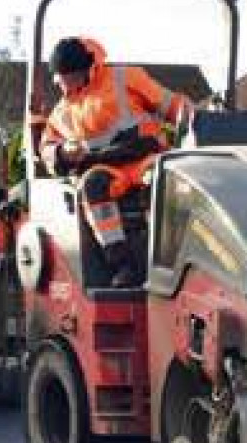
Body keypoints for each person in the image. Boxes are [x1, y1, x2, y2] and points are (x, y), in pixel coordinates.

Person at [39, 37, 192, 287]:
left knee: (168, 179)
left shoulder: (125, 78)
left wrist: (199, 122)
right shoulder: (61, 112)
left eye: (71, 78)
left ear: (88, 68)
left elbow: (174, 106)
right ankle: (124, 265)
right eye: (61, 80)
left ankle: (173, 260)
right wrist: (62, 152)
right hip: (107, 170)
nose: (65, 85)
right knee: (92, 186)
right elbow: (46, 149)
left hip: (146, 158)